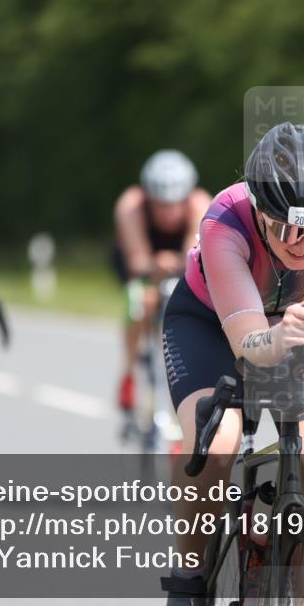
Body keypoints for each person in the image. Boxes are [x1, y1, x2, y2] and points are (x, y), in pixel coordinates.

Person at [160, 123, 304, 606]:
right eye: (285, 228)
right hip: (212, 325)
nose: (302, 243)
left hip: (295, 333)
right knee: (216, 444)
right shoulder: (225, 219)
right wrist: (280, 336)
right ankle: (189, 581)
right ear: (258, 210)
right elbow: (250, 345)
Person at [112, 150, 211, 412]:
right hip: (143, 262)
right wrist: (153, 267)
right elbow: (136, 261)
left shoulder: (200, 203)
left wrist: (175, 265)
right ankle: (129, 370)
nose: (168, 212)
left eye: (174, 204)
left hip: (182, 262)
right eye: (160, 204)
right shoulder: (131, 205)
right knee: (139, 302)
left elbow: (194, 255)